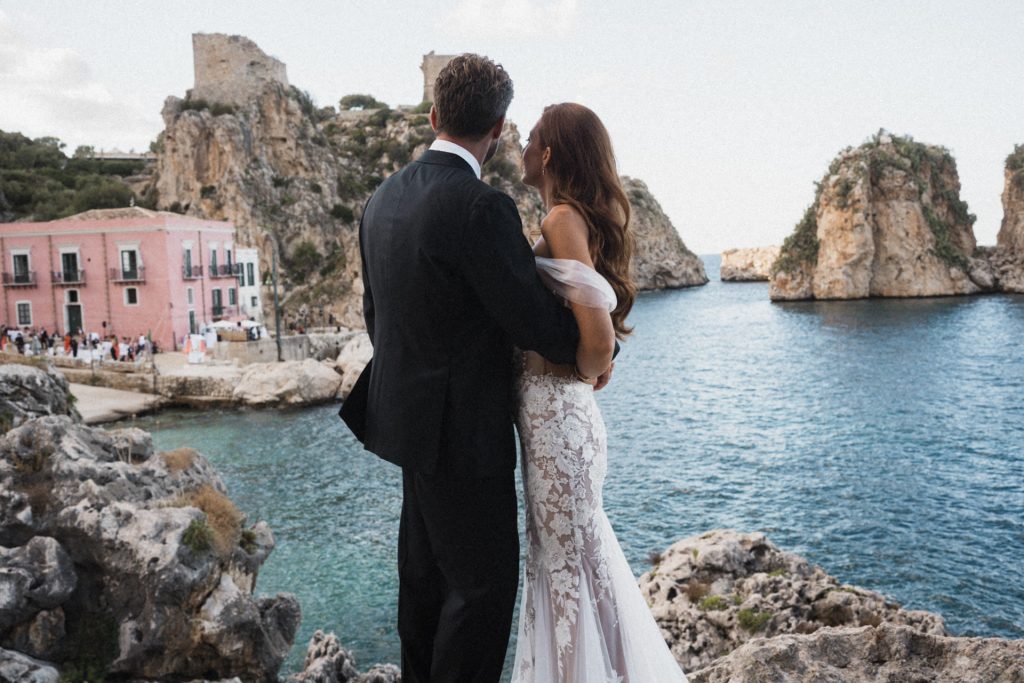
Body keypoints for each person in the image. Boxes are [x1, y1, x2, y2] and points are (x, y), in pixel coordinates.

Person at [341, 54, 587, 682]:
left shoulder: (381, 199)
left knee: (422, 587)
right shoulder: (481, 207)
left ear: (433, 116)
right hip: (463, 434)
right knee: (482, 591)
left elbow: (377, 316)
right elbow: (539, 329)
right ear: (499, 127)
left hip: (405, 422)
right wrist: (589, 325)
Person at [509, 103, 687, 682]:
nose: (523, 145)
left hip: (557, 424)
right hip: (559, 422)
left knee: (566, 570)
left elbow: (597, 339)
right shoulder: (566, 220)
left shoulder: (561, 220)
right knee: (576, 565)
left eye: (532, 137)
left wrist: (591, 368)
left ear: (552, 153)